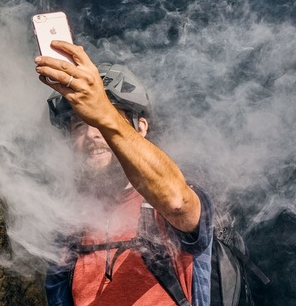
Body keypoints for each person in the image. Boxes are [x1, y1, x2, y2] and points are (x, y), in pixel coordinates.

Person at [34, 40, 215, 306]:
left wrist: (103, 113)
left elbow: (178, 202)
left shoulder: (168, 199)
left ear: (141, 128)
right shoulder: (70, 226)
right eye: (79, 125)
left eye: (98, 122)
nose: (91, 134)